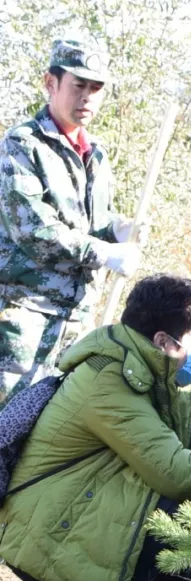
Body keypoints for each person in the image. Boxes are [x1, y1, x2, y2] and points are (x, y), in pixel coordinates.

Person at [0, 274, 191, 581]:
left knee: (190, 496)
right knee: (180, 498)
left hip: (63, 514)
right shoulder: (109, 380)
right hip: (44, 538)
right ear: (164, 341)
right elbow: (178, 473)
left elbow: (180, 451)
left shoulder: (148, 371)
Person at [0, 38, 143, 403]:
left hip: (77, 321)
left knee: (52, 435)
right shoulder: (22, 145)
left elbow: (91, 221)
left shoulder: (96, 154)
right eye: (78, 85)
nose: (87, 97)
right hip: (25, 317)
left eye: (96, 88)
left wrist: (117, 229)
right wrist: (104, 253)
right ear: (51, 83)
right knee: (6, 423)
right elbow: (34, 229)